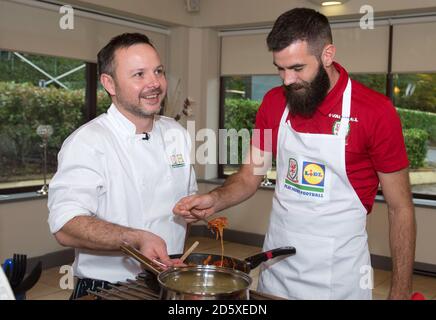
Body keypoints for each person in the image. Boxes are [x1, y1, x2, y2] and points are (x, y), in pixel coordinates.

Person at [173, 8, 416, 300]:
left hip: (339, 277)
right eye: (280, 68)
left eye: (298, 68)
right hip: (277, 270)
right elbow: (251, 175)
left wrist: (401, 292)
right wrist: (215, 199)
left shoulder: (375, 112)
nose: (287, 80)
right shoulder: (273, 103)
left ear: (327, 55)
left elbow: (400, 208)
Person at [48, 33, 197, 298]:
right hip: (106, 289)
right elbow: (65, 225)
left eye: (158, 71)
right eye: (139, 74)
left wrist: (194, 209)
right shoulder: (88, 142)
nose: (155, 83)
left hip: (168, 282)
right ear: (110, 83)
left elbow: (185, 204)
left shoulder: (177, 134)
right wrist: (135, 238)